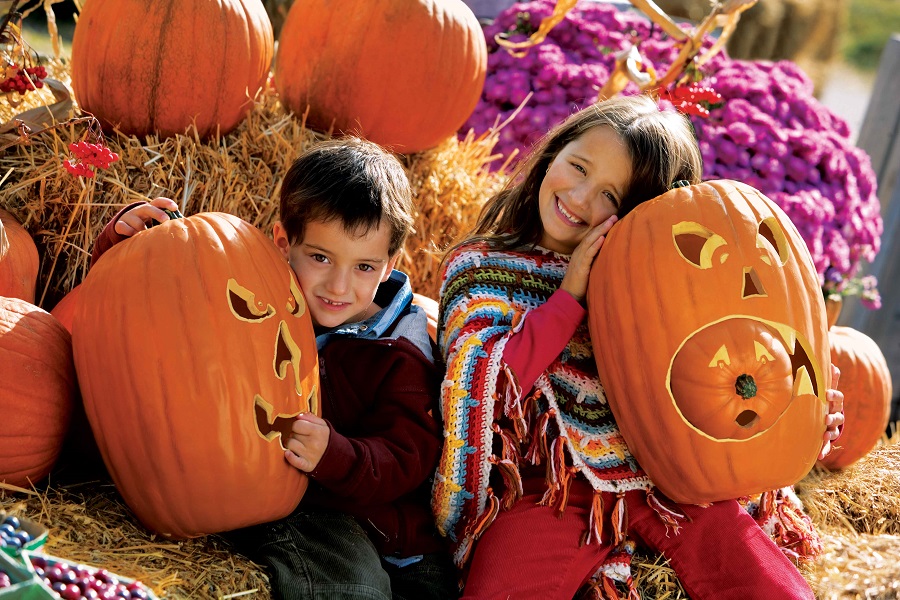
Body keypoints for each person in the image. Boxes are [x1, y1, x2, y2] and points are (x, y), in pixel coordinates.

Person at [431, 94, 844, 600]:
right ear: (553, 152)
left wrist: (797, 417)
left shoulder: (662, 287)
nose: (581, 198)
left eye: (612, 196)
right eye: (578, 166)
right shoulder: (482, 269)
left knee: (767, 587)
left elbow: (716, 381)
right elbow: (485, 385)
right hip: (554, 489)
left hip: (671, 481)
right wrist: (569, 298)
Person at [90, 137, 460, 600]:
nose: (338, 286)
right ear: (284, 243)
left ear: (389, 266)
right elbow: (157, 308)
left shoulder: (398, 348)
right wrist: (120, 244)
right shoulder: (260, 297)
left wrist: (337, 454)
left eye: (364, 266)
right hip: (312, 508)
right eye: (321, 258)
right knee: (350, 587)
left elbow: (408, 457)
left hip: (393, 526)